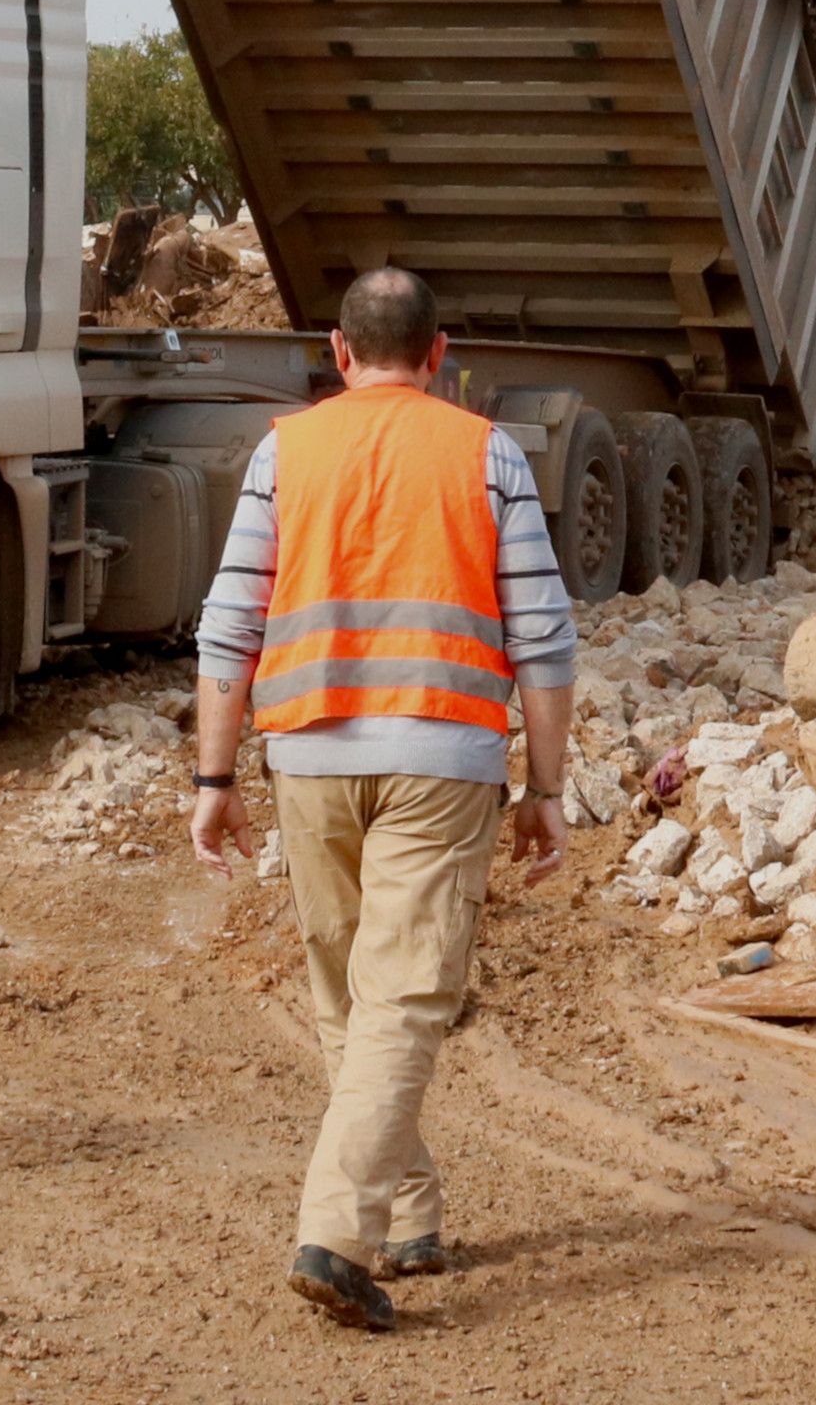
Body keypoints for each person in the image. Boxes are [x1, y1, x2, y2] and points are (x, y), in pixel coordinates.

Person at [187, 267, 577, 1331]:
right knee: (402, 994)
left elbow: (229, 627)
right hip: (445, 758)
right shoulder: (486, 451)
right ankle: (339, 1231)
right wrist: (546, 788)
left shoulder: (285, 449)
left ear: (339, 350)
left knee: (346, 990)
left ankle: (407, 1213)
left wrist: (214, 779)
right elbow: (543, 638)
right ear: (440, 353)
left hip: (306, 754)